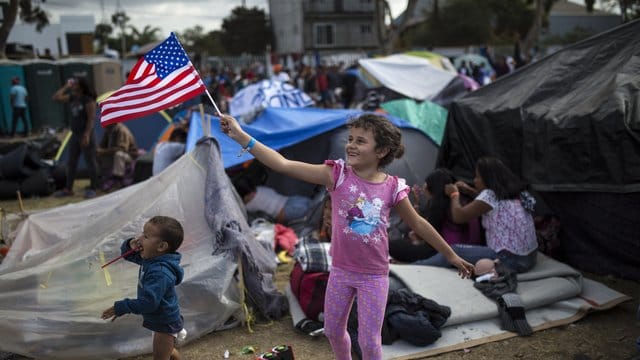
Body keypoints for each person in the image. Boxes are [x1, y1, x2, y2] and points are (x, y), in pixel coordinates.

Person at [220, 112, 474, 359]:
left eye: (360, 141)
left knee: (368, 340)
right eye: (350, 139)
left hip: (374, 276)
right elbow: (282, 164)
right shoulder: (337, 174)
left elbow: (418, 223)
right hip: (341, 271)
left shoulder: (393, 187)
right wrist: (242, 137)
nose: (350, 145)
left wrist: (451, 255)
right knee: (332, 331)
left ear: (382, 151)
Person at [415, 157, 538, 273]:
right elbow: (488, 204)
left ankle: (415, 268)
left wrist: (454, 195)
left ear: (489, 179)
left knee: (453, 251)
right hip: (530, 258)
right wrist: (470, 190)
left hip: (509, 259)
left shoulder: (490, 195)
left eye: (478, 177)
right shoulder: (517, 193)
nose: (474, 180)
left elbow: (459, 217)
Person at [101, 215, 185, 360]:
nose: (139, 238)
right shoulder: (153, 260)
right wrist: (130, 246)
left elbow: (148, 304)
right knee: (168, 352)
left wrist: (122, 307)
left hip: (165, 324)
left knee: (161, 356)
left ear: (161, 246)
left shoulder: (159, 272)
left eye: (145, 236)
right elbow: (129, 256)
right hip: (161, 319)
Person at [389, 168, 483, 263]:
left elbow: (424, 232)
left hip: (444, 251)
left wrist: (417, 239)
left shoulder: (443, 206)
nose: (424, 189)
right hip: (454, 248)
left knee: (393, 246)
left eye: (426, 188)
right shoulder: (462, 201)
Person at [52, 77, 100, 198]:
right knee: (71, 162)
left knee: (90, 162)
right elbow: (56, 97)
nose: (73, 85)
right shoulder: (73, 98)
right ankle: (68, 189)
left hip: (85, 134)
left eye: (75, 83)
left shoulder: (88, 100)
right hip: (74, 135)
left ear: (81, 86)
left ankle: (94, 188)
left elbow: (91, 119)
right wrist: (66, 87)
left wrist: (87, 135)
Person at [232, 176, 313, 225]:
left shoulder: (248, 206)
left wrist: (277, 225)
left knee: (314, 216)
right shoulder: (260, 189)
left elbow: (280, 216)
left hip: (288, 209)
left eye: (252, 191)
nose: (253, 194)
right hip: (293, 200)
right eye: (250, 194)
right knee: (314, 210)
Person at [97, 122, 138, 191]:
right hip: (113, 154)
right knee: (99, 154)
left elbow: (122, 148)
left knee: (119, 155)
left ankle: (118, 180)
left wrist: (103, 151)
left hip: (129, 155)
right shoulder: (108, 130)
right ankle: (100, 179)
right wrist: (99, 150)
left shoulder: (122, 130)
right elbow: (102, 145)